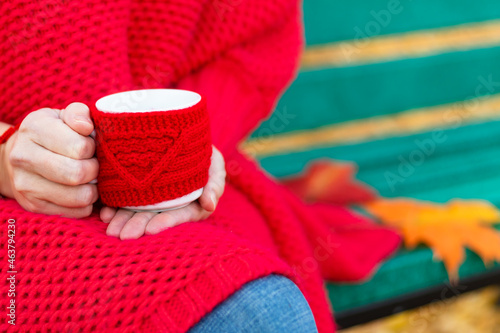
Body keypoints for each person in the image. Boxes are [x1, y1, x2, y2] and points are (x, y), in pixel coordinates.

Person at [0, 1, 400, 332]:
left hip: (170, 190)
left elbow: (253, 40)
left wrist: (195, 141)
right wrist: (6, 155)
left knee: (257, 310)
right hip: (15, 215)